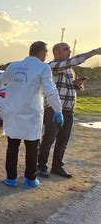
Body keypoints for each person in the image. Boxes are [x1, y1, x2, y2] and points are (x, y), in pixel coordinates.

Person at [0, 41, 63, 189]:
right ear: (41, 52)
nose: (46, 55)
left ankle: (11, 178)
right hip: (32, 114)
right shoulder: (43, 67)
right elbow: (50, 90)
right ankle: (30, 179)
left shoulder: (14, 66)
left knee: (12, 147)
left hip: (13, 113)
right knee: (32, 148)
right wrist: (58, 110)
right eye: (46, 52)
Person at [38, 45, 101, 178]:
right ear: (56, 52)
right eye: (66, 49)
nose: (70, 51)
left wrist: (78, 85)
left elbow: (70, 86)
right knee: (49, 139)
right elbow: (75, 60)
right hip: (54, 109)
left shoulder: (70, 70)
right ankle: (41, 166)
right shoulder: (53, 65)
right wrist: (94, 52)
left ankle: (57, 167)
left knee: (63, 140)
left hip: (69, 110)